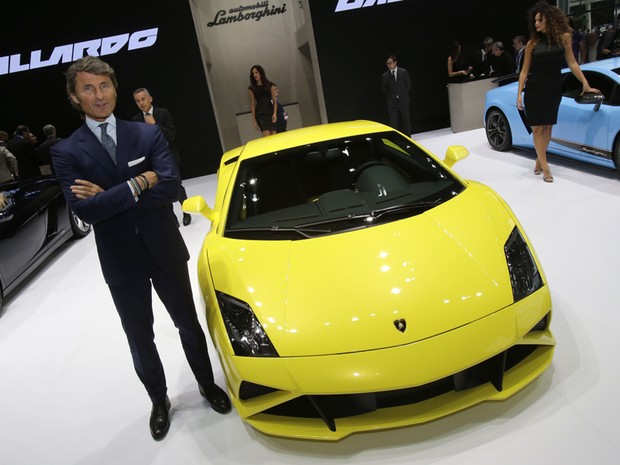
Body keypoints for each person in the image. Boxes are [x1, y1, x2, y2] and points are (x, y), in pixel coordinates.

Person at [50, 56, 231, 441]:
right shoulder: (67, 151)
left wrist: (115, 194)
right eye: (88, 88)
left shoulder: (146, 134)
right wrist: (138, 183)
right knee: (139, 336)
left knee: (188, 323)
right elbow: (85, 209)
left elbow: (169, 187)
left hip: (164, 246)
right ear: (74, 96)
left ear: (115, 89)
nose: (98, 96)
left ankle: (206, 383)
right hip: (120, 260)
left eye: (104, 86)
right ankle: (159, 400)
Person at [517, 1, 598, 183]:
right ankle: (546, 167)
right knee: (537, 128)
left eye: (540, 20)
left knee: (547, 127)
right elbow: (524, 71)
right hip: (534, 89)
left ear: (549, 19)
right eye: (535, 21)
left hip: (553, 89)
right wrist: (519, 94)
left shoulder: (564, 38)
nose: (536, 24)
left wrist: (585, 84)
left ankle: (539, 158)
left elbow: (572, 63)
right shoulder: (532, 44)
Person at [132, 87, 191, 226]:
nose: (141, 103)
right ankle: (172, 218)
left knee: (177, 186)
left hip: (169, 156)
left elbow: (171, 135)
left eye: (143, 99)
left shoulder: (163, 113)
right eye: (137, 101)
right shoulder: (136, 120)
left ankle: (186, 211)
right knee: (161, 189)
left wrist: (155, 125)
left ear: (150, 98)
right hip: (152, 161)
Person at [381, 54, 412, 136]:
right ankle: (395, 141)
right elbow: (384, 89)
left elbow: (408, 84)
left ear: (395, 63)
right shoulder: (385, 76)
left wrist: (402, 94)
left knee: (406, 122)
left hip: (403, 101)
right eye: (387, 63)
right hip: (392, 103)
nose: (389, 65)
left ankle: (408, 139)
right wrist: (391, 96)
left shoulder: (403, 72)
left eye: (390, 63)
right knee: (393, 123)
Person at [248, 65, 277, 136]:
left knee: (274, 138)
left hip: (270, 113)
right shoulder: (251, 88)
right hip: (260, 115)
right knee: (267, 139)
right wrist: (254, 120)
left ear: (261, 72)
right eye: (253, 74)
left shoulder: (270, 85)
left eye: (256, 72)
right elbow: (252, 104)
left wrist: (275, 113)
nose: (254, 75)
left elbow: (274, 101)